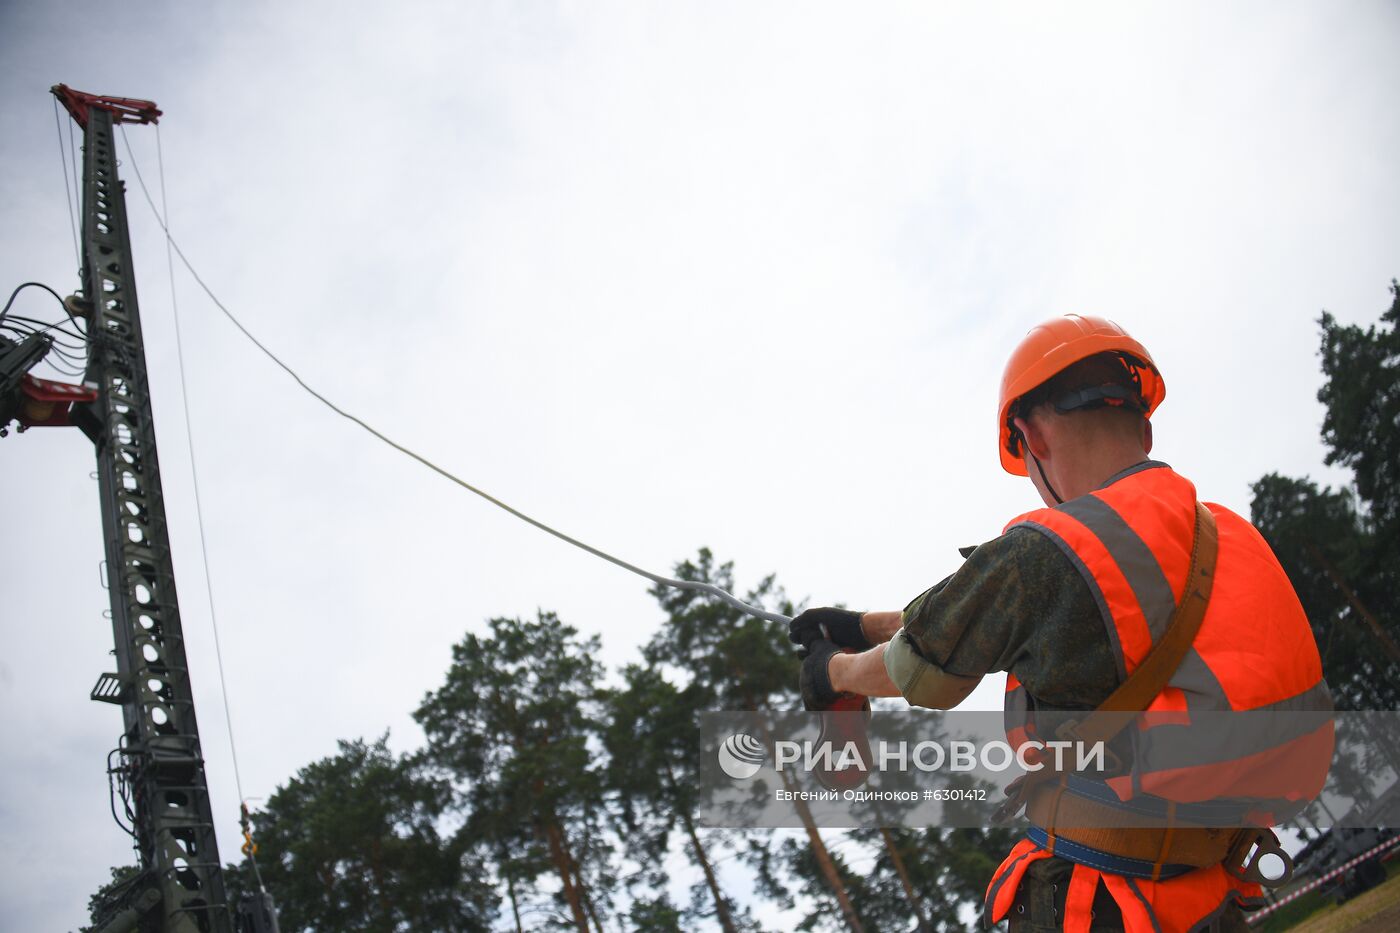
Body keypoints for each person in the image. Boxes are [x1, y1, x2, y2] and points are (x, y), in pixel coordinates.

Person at [790, 314, 1331, 932]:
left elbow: (920, 674)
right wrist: (864, 623)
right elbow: (1007, 615)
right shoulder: (1226, 533)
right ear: (1144, 425)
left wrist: (830, 671)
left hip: (1101, 905)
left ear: (1030, 437)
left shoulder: (1050, 550)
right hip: (1210, 893)